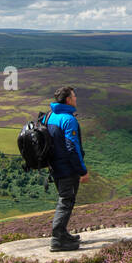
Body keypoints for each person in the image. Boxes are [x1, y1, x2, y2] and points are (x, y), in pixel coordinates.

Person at [45, 86, 89, 251]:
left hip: (54, 168)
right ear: (68, 100)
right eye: (74, 96)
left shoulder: (50, 116)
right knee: (66, 201)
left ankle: (63, 233)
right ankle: (57, 239)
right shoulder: (68, 120)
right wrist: (82, 171)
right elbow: (72, 148)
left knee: (66, 199)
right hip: (66, 169)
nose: (76, 99)